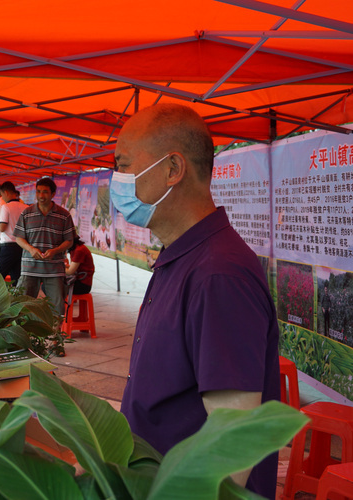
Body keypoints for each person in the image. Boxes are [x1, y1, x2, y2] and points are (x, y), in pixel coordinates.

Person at [115, 103, 280, 498]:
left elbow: (232, 445)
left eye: (122, 164)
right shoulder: (184, 256)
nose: (117, 180)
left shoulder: (218, 274)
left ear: (173, 169)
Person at [14, 178, 74, 316]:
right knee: (22, 306)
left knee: (56, 308)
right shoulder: (26, 213)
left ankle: (55, 337)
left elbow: (69, 241)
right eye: (38, 192)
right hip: (29, 268)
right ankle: (25, 335)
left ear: (53, 194)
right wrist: (31, 249)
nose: (41, 196)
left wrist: (56, 250)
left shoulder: (64, 215)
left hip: (54, 269)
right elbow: (19, 238)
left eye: (45, 192)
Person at [0, 182, 27, 283]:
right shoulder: (25, 207)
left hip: (8, 246)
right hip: (21, 246)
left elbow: (2, 228)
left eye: (2, 195)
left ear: (6, 192)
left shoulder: (6, 207)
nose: (2, 198)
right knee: (17, 277)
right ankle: (17, 298)